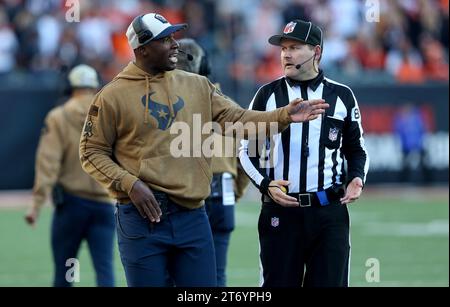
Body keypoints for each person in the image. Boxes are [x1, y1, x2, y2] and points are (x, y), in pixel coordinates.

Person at [79, 13, 329, 287]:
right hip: (141, 218)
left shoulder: (197, 84)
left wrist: (283, 115)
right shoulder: (112, 95)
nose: (175, 44)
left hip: (193, 215)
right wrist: (130, 184)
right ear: (142, 49)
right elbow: (91, 151)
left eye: (173, 36)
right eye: (165, 39)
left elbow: (239, 120)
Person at [239, 19, 370, 287]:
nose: (286, 54)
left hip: (328, 213)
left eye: (295, 47)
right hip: (281, 211)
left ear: (317, 52)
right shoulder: (266, 95)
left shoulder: (342, 96)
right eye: (283, 48)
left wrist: (357, 178)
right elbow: (245, 150)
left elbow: (357, 149)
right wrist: (265, 185)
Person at [25, 64, 115, 287]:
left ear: (71, 86)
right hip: (104, 203)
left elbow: (48, 163)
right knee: (104, 270)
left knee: (66, 270)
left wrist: (36, 205)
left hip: (72, 205)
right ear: (95, 86)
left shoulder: (59, 116)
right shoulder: (110, 115)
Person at [176, 38, 250, 286]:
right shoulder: (228, 104)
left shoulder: (174, 103)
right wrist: (236, 189)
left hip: (186, 194)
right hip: (224, 191)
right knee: (217, 274)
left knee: (181, 273)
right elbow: (249, 151)